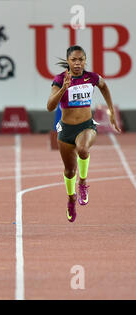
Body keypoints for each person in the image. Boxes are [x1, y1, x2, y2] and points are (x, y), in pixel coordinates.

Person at [47, 45, 121, 222]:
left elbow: (104, 86)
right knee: (69, 170)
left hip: (86, 126)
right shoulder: (59, 79)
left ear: (85, 60)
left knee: (82, 149)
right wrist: (64, 89)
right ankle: (71, 199)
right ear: (68, 61)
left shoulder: (91, 77)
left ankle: (83, 183)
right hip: (65, 130)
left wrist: (111, 110)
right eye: (74, 60)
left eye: (81, 59)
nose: (78, 63)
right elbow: (50, 107)